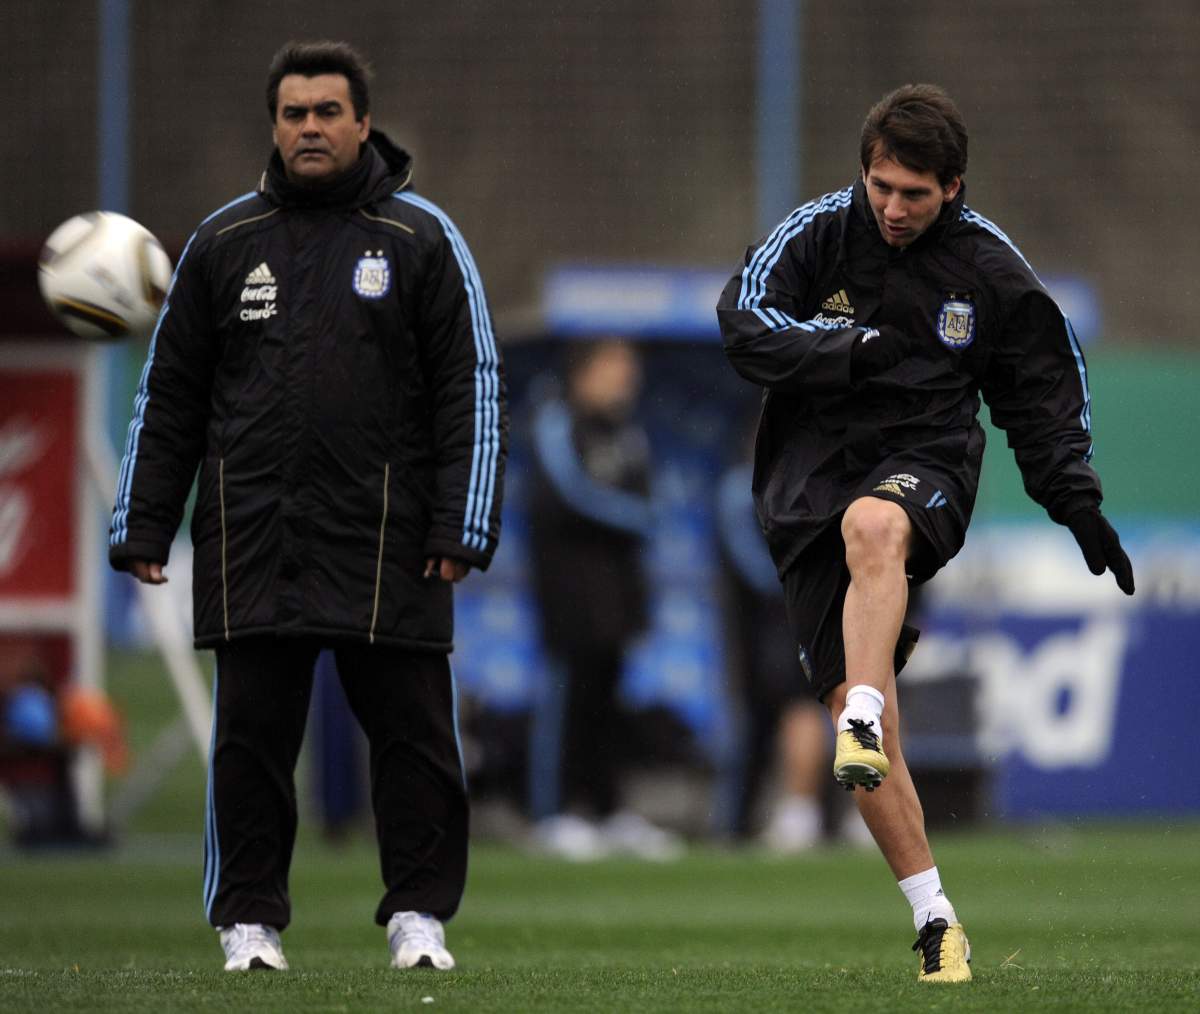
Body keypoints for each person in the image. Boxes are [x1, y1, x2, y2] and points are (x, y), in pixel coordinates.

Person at [716, 83, 1134, 982]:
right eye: (882, 187)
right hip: (804, 490)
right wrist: (847, 349)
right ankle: (936, 919)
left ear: (953, 187)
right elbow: (743, 323)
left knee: (875, 526)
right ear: (863, 174)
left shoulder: (989, 269)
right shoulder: (818, 232)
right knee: (862, 735)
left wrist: (1075, 499)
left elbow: (1043, 388)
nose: (894, 208)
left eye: (915, 193)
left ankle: (864, 713)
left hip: (927, 464)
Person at [109, 41, 506, 973]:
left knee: (414, 742)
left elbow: (473, 385)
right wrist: (144, 519)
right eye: (295, 114)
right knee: (250, 744)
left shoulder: (422, 237)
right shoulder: (222, 243)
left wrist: (462, 522)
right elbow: (169, 395)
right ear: (275, 126)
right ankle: (249, 924)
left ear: (363, 123)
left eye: (329, 112)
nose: (311, 128)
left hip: (390, 542)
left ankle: (419, 917)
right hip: (254, 535)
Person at [526, 338, 681, 861]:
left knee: (608, 700)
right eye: (615, 368)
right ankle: (554, 814)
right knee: (569, 694)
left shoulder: (627, 431)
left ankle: (607, 810)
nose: (626, 379)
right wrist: (634, 517)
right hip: (569, 590)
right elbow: (569, 493)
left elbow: (650, 492)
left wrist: (642, 515)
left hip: (618, 591)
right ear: (584, 372)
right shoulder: (557, 422)